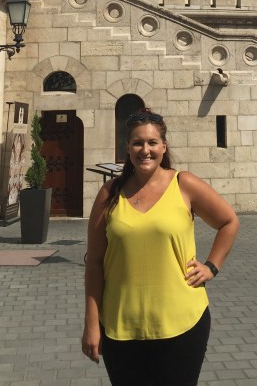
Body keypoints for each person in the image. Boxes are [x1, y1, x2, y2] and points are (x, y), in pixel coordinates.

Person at [82, 110, 239, 386]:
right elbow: (94, 263)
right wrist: (92, 324)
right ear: (127, 148)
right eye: (137, 143)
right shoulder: (110, 193)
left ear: (164, 147)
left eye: (152, 142)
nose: (145, 150)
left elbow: (229, 221)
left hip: (182, 323)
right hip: (121, 325)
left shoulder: (183, 184)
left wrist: (211, 266)